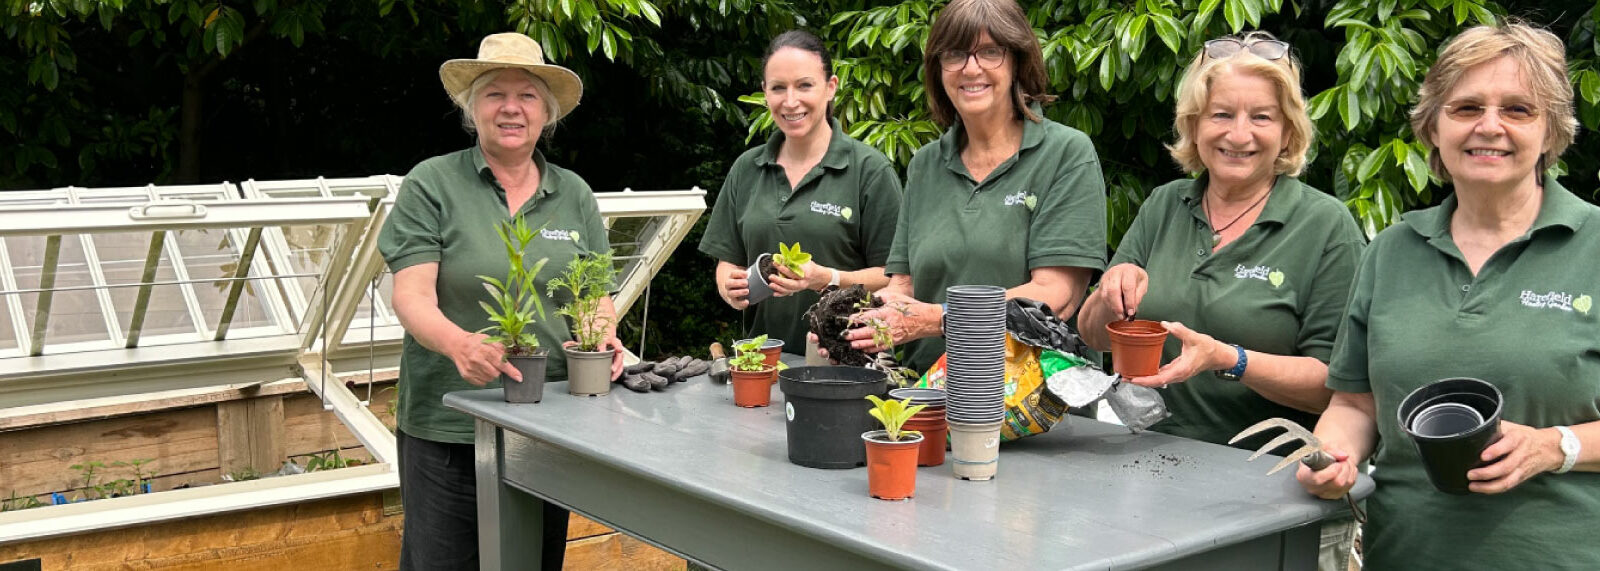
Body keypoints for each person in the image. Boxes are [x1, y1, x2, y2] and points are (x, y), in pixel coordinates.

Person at [1296, 22, 1600, 569]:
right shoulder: (1391, 250)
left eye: (1518, 109)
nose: (1490, 127)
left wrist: (1556, 446)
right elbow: (1355, 403)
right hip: (1406, 553)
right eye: (1465, 108)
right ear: (1433, 126)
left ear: (1552, 131)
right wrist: (1334, 456)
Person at [1074, 31, 1366, 570]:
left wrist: (1230, 359)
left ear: (1288, 132)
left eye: (1261, 117)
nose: (1239, 134)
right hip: (1145, 480)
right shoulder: (1165, 204)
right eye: (1220, 114)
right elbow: (1092, 334)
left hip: (1273, 498)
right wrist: (1109, 289)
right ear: (1193, 126)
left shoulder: (1325, 226)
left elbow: (1338, 389)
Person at [379, 32, 624, 570]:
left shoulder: (573, 193)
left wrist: (602, 334)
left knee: (531, 561)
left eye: (528, 96)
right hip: (448, 425)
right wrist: (459, 344)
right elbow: (411, 296)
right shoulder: (433, 183)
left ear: (546, 113)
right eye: (495, 94)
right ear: (473, 109)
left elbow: (593, 295)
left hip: (547, 425)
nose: (511, 108)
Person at [838, 0, 1106, 371]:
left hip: (1031, 404)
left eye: (990, 52)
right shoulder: (926, 164)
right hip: (929, 395)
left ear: (1017, 62)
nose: (971, 67)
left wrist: (939, 318)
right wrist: (859, 325)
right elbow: (904, 286)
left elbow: (1055, 297)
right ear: (939, 68)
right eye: (955, 53)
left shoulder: (1065, 154)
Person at [698, 30, 903, 352]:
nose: (790, 101)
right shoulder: (747, 169)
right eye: (778, 88)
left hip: (849, 363)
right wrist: (729, 286)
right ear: (765, 92)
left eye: (804, 85)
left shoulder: (869, 171)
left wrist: (826, 278)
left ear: (830, 87)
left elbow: (896, 279)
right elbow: (729, 261)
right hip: (764, 359)